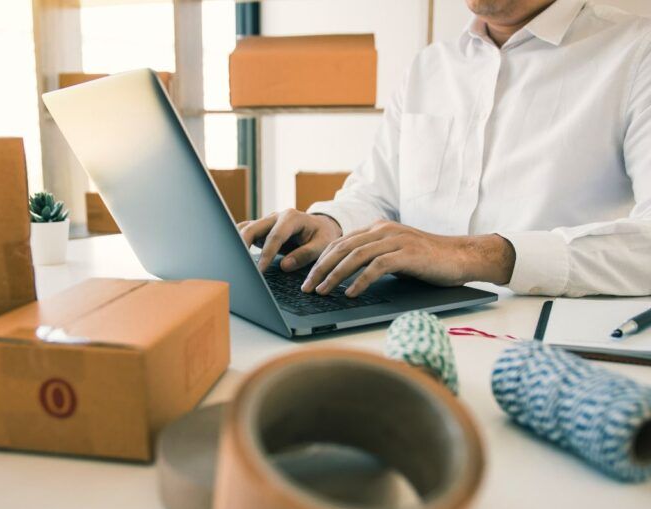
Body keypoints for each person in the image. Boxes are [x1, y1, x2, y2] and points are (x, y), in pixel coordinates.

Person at [238, 0, 651, 299]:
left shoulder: (636, 52)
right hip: (400, 322)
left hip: (550, 340)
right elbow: (376, 194)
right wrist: (330, 224)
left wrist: (471, 255)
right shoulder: (430, 66)